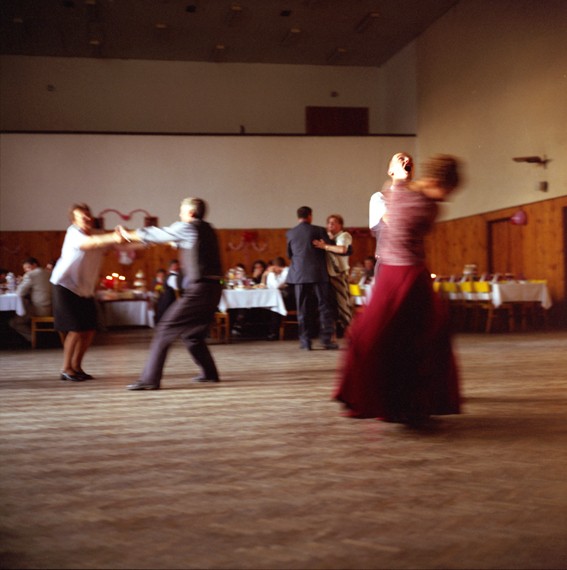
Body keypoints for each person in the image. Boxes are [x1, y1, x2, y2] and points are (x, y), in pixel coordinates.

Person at [334, 153, 462, 427]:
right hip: (402, 274)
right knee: (391, 338)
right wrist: (400, 178)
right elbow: (396, 214)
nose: (447, 196)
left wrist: (399, 178)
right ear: (438, 182)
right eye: (447, 189)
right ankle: (400, 403)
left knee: (416, 339)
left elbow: (395, 195)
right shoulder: (420, 203)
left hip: (406, 274)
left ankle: (410, 404)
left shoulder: (405, 194)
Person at [118, 197, 223, 390]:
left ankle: (149, 380)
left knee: (164, 329)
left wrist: (129, 234)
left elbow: (160, 233)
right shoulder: (208, 230)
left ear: (190, 213)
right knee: (193, 334)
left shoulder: (188, 227)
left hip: (199, 290)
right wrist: (137, 242)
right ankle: (209, 373)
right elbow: (171, 241)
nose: (179, 214)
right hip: (215, 288)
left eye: (181, 211)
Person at [50, 203, 123, 382]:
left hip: (85, 289)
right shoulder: (73, 233)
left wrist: (146, 241)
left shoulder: (97, 234)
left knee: (89, 330)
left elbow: (120, 246)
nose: (88, 219)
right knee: (75, 329)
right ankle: (66, 369)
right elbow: (91, 243)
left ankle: (77, 367)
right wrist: (113, 236)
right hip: (65, 286)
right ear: (74, 221)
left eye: (89, 216)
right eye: (83, 217)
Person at [286, 206, 337, 350]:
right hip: (318, 273)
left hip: (299, 275)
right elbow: (330, 248)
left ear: (298, 217)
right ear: (310, 216)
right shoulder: (319, 230)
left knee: (302, 309)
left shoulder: (290, 233)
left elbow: (289, 255)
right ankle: (326, 340)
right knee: (324, 307)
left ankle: (305, 342)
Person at [313, 214, 353, 338]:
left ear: (340, 225)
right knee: (330, 306)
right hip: (327, 275)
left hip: (339, 274)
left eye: (333, 222)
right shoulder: (327, 238)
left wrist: (325, 246)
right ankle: (333, 335)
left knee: (343, 305)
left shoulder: (344, 236)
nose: (330, 225)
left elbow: (342, 249)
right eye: (329, 223)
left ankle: (352, 334)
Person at [9, 257, 53, 343]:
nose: (26, 270)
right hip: (52, 308)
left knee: (14, 322)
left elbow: (19, 292)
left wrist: (22, 281)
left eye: (28, 267)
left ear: (34, 265)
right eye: (25, 269)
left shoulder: (31, 275)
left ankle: (34, 338)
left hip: (40, 309)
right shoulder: (48, 273)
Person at [261, 256, 294, 340]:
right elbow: (268, 286)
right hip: (282, 297)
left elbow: (276, 286)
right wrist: (264, 276)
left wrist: (271, 274)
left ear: (275, 266)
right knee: (266, 305)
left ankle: (273, 333)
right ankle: (269, 331)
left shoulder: (287, 271)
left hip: (291, 299)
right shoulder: (278, 273)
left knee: (273, 305)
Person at [155, 259, 182, 323]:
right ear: (171, 267)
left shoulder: (174, 276)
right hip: (169, 302)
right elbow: (177, 291)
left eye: (178, 265)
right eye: (176, 265)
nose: (178, 267)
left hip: (169, 301)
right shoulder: (173, 277)